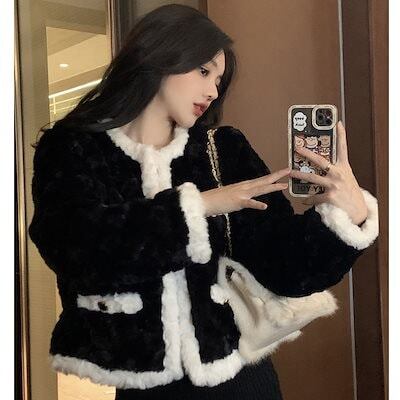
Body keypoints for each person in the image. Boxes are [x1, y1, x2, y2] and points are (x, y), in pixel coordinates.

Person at [28, 4, 379, 400]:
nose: (213, 90)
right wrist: (200, 207)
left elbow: (286, 270)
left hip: (242, 379)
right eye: (203, 71)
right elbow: (74, 247)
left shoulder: (224, 150)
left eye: (218, 79)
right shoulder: (75, 148)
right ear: (159, 56)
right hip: (146, 386)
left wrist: (348, 215)